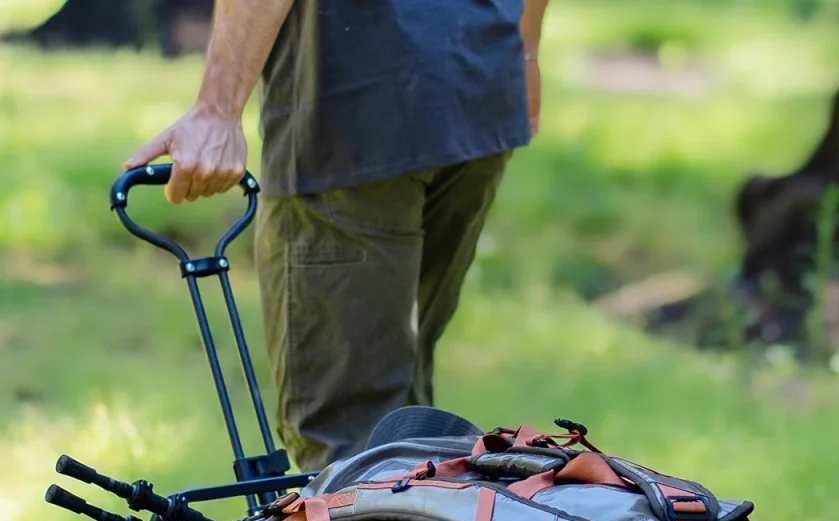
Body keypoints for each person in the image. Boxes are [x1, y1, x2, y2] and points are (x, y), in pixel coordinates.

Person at [125, 0, 549, 472]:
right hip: (479, 82)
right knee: (407, 425)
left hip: (354, 106)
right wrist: (524, 52)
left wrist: (217, 109)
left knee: (354, 440)